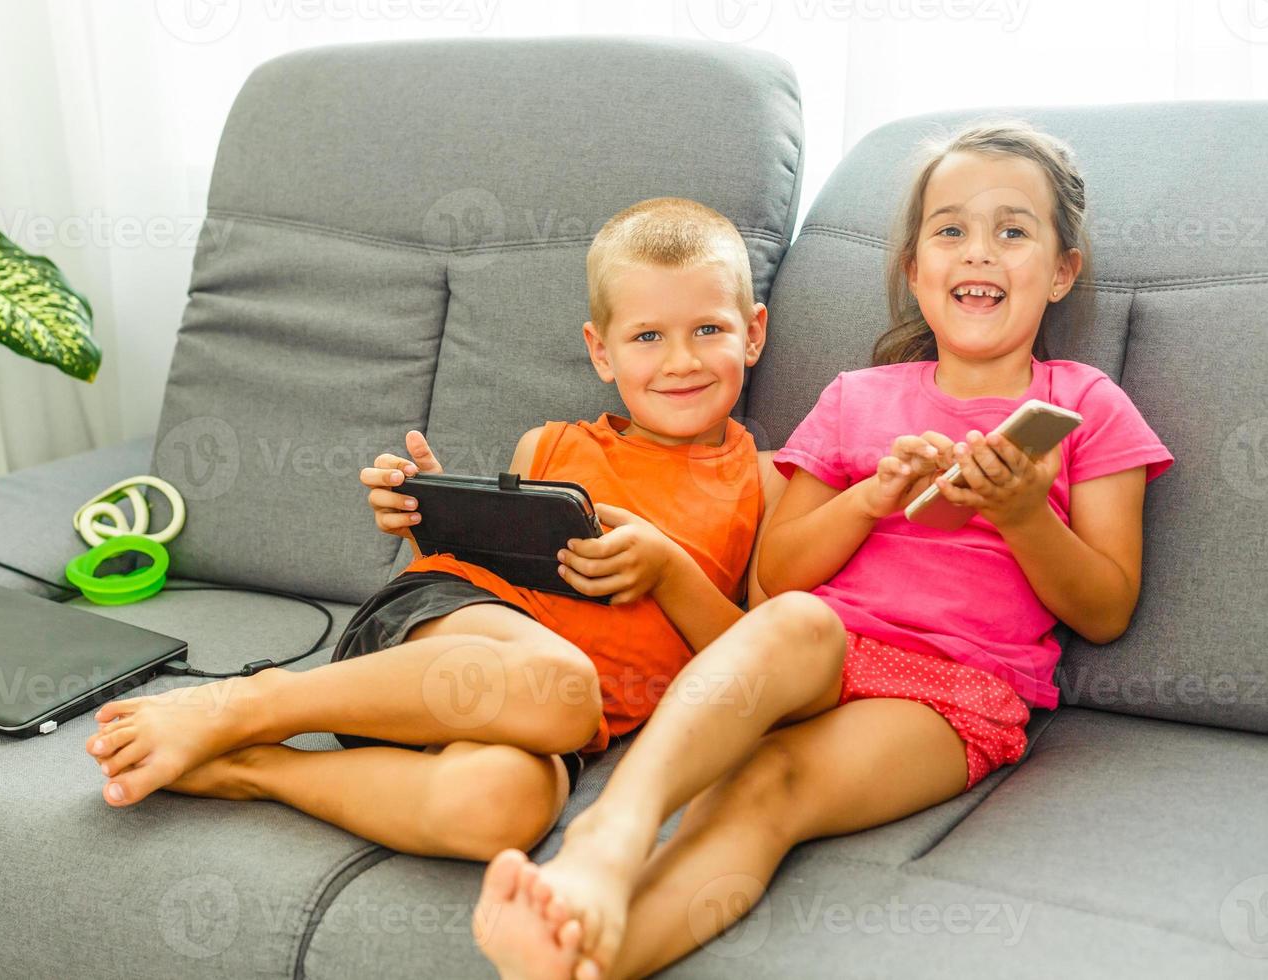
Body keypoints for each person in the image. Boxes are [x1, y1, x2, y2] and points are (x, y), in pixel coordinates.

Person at [474, 120, 1174, 980]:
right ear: (915, 269)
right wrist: (873, 497)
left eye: (1013, 231)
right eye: (949, 230)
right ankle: (608, 838)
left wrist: (1027, 514)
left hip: (951, 693)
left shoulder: (1088, 408)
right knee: (800, 619)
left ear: (1062, 270)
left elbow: (1105, 611)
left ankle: (586, 963)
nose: (978, 254)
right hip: (819, 649)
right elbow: (778, 576)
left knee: (766, 790)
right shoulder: (857, 399)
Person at [81, 198, 784, 877]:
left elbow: (759, 661)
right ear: (601, 352)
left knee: (498, 810)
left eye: (709, 331)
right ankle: (252, 702)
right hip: (446, 640)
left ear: (752, 332)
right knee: (564, 680)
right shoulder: (549, 448)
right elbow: (482, 579)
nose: (681, 360)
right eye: (648, 336)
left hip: (560, 728)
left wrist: (668, 570)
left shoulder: (765, 482)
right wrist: (431, 511)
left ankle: (256, 767)